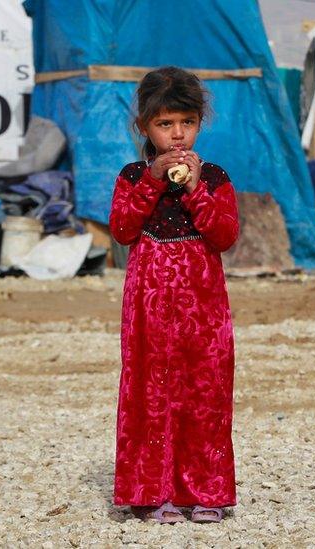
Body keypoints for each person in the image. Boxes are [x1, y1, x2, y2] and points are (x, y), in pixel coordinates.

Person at [109, 66, 240, 524]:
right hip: (148, 307)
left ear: (199, 123)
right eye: (165, 124)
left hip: (203, 306)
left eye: (186, 122)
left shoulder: (216, 177)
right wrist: (151, 183)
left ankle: (204, 493)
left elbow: (224, 235)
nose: (177, 134)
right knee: (149, 389)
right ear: (145, 127)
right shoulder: (131, 176)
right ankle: (150, 493)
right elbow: (123, 230)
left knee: (204, 389)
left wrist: (196, 189)